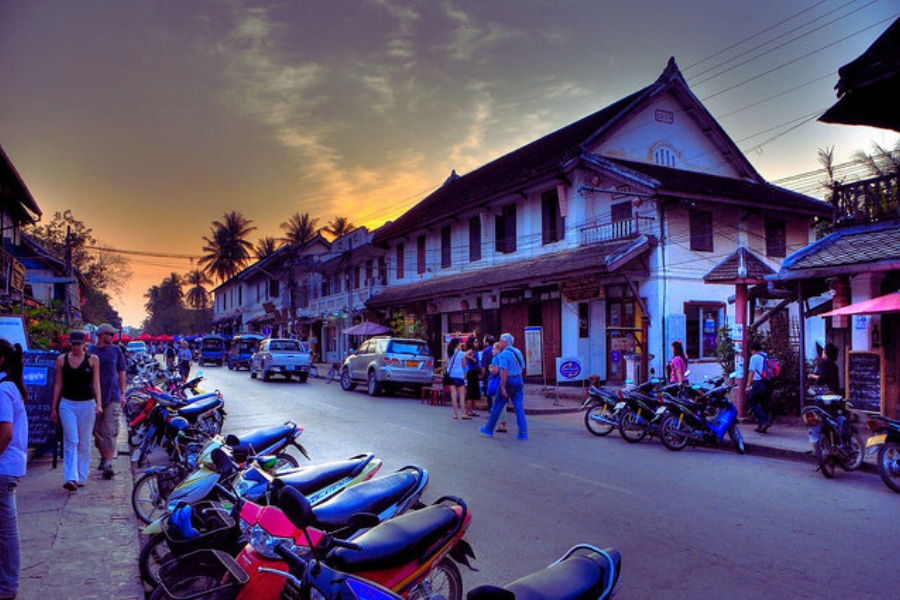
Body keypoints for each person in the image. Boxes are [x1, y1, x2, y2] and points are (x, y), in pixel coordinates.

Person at [51, 331, 103, 491]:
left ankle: (81, 475)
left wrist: (98, 404)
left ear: (84, 344)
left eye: (78, 344)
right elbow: (58, 384)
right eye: (73, 344)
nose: (75, 347)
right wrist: (54, 407)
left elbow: (96, 383)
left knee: (84, 441)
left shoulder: (93, 360)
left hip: (87, 403)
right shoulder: (61, 360)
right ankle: (71, 477)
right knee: (71, 440)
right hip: (67, 403)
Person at [0, 339, 27, 600]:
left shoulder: (3, 389)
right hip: (10, 465)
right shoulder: (10, 386)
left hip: (3, 466)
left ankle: (7, 586)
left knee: (7, 532)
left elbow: (5, 432)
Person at [89, 323, 127, 480]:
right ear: (102, 335)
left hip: (112, 396)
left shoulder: (116, 351)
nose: (112, 337)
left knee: (110, 430)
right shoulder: (90, 352)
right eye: (110, 334)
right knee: (96, 432)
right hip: (93, 397)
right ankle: (104, 456)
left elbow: (121, 372)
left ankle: (108, 464)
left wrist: (123, 393)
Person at [479, 332, 527, 439]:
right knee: (519, 408)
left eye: (501, 341)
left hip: (509, 379)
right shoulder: (517, 351)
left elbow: (504, 371)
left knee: (497, 405)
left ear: (506, 342)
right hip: (518, 379)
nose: (499, 343)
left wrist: (502, 386)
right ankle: (523, 432)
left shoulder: (504, 354)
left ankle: (489, 428)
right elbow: (522, 367)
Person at [745, 341, 773, 434]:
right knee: (764, 404)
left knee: (752, 404)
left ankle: (764, 421)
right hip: (767, 383)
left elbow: (751, 372)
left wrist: (748, 385)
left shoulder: (754, 357)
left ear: (753, 350)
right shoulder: (766, 356)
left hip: (758, 383)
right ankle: (761, 425)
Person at [445, 338, 466, 419]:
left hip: (451, 375)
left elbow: (447, 364)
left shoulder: (448, 353)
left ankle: (455, 414)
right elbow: (464, 365)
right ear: (457, 344)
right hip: (459, 375)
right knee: (461, 395)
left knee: (453, 394)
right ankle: (463, 413)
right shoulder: (461, 354)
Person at [463, 337, 481, 418]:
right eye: (475, 342)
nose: (477, 344)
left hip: (475, 371)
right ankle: (468, 410)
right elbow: (465, 355)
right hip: (471, 372)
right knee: (471, 391)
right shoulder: (471, 350)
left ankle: (471, 410)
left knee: (474, 392)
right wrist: (472, 359)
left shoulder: (475, 351)